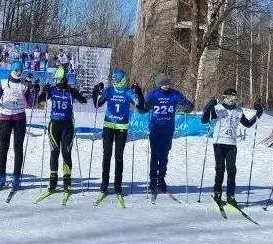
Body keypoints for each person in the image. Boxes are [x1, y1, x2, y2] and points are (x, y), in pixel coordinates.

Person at [200, 87, 263, 207]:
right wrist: (208, 107)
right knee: (220, 169)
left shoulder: (238, 111)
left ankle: (230, 195)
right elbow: (204, 120)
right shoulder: (218, 108)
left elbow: (248, 124)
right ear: (224, 97)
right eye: (228, 98)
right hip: (219, 143)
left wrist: (257, 114)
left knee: (231, 170)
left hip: (231, 144)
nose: (231, 100)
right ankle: (217, 192)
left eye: (234, 98)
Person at [92, 69, 145, 203]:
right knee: (106, 155)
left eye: (117, 80)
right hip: (108, 127)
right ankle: (104, 185)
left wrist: (139, 92)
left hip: (122, 128)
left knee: (119, 157)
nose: (114, 82)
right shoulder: (109, 91)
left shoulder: (128, 92)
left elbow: (140, 106)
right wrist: (95, 91)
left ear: (123, 80)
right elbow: (97, 104)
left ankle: (117, 185)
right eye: (113, 80)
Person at [143, 73, 195, 196]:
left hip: (168, 129)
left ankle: (161, 179)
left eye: (168, 83)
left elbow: (188, 106)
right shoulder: (153, 94)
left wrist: (186, 107)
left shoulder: (174, 94)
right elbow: (144, 107)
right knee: (155, 155)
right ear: (159, 84)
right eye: (164, 83)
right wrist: (142, 102)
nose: (167, 85)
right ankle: (153, 181)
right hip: (155, 129)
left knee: (164, 156)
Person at [38, 65, 87, 192]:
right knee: (54, 152)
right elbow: (39, 101)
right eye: (55, 80)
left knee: (66, 152)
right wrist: (43, 91)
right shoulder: (52, 90)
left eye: (57, 79)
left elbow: (83, 101)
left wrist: (79, 94)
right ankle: (53, 180)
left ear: (62, 79)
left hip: (67, 126)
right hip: (54, 124)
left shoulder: (70, 91)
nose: (55, 82)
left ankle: (67, 180)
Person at [0, 60, 34, 191]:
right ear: (12, 70)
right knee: (3, 148)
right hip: (6, 118)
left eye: (20, 70)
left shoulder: (24, 85)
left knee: (18, 148)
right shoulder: (3, 83)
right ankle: (2, 176)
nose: (18, 73)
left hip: (20, 119)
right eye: (16, 70)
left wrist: (34, 92)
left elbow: (32, 103)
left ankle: (16, 177)